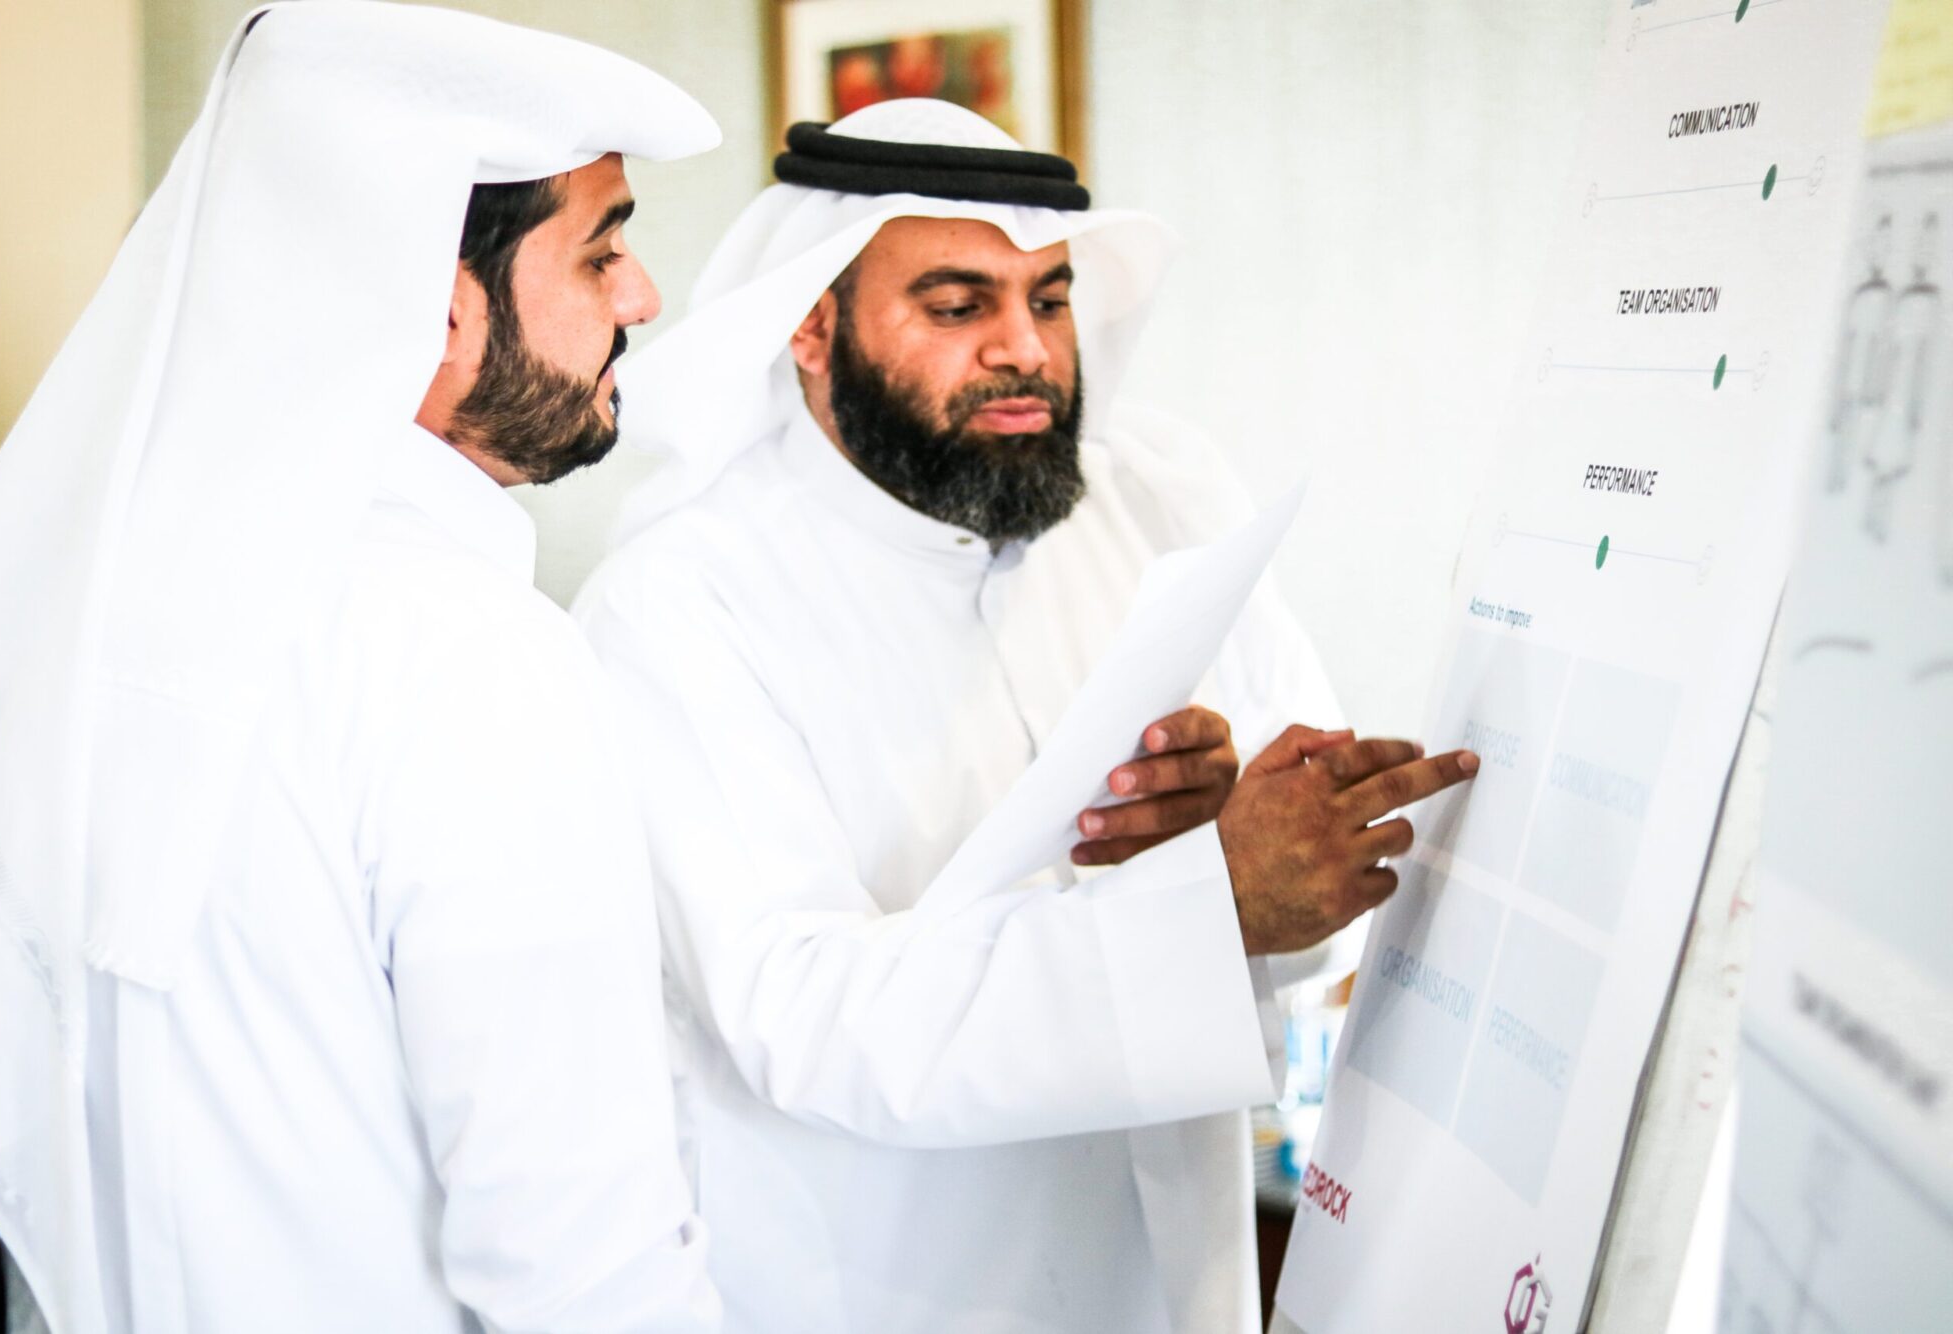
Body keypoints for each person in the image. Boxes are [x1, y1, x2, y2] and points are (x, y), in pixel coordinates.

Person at [572, 98, 1477, 1332]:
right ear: (808, 324)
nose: (1024, 349)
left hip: (1172, 1276)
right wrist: (1198, 898)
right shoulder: (679, 601)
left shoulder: (1158, 500)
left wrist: (1238, 844)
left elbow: (1314, 891)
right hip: (881, 1288)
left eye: (1048, 300)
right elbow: (799, 1014)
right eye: (957, 308)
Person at [0, 5, 723, 1331]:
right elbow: (580, 1267)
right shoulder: (472, 659)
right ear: (429, 308)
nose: (643, 294)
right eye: (602, 249)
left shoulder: (83, 611)